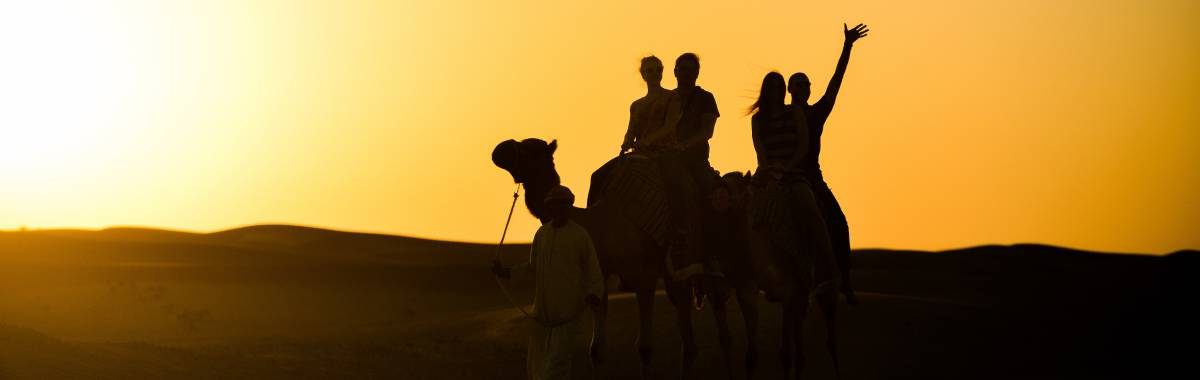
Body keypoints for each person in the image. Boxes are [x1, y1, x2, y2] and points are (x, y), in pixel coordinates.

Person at [788, 23, 868, 305]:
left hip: (812, 178)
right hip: (783, 176)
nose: (803, 87)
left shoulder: (817, 113)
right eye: (798, 83)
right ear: (789, 89)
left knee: (838, 222)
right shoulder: (781, 114)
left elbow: (836, 80)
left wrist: (847, 47)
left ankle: (844, 278)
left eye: (806, 83)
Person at [493, 185, 604, 380]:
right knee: (538, 371)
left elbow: (593, 271)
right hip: (542, 322)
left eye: (563, 205)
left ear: (569, 207)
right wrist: (505, 273)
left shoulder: (580, 236)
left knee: (554, 372)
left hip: (569, 320)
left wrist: (594, 293)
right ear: (550, 207)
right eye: (555, 205)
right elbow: (532, 268)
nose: (559, 209)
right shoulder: (541, 235)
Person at [748, 71, 838, 297]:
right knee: (746, 209)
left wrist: (786, 169)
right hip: (768, 171)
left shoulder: (794, 112)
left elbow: (803, 145)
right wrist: (770, 172)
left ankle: (827, 271)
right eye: (771, 88)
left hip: (793, 171)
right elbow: (760, 150)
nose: (775, 93)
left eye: (779, 88)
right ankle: (751, 271)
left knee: (811, 210)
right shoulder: (758, 119)